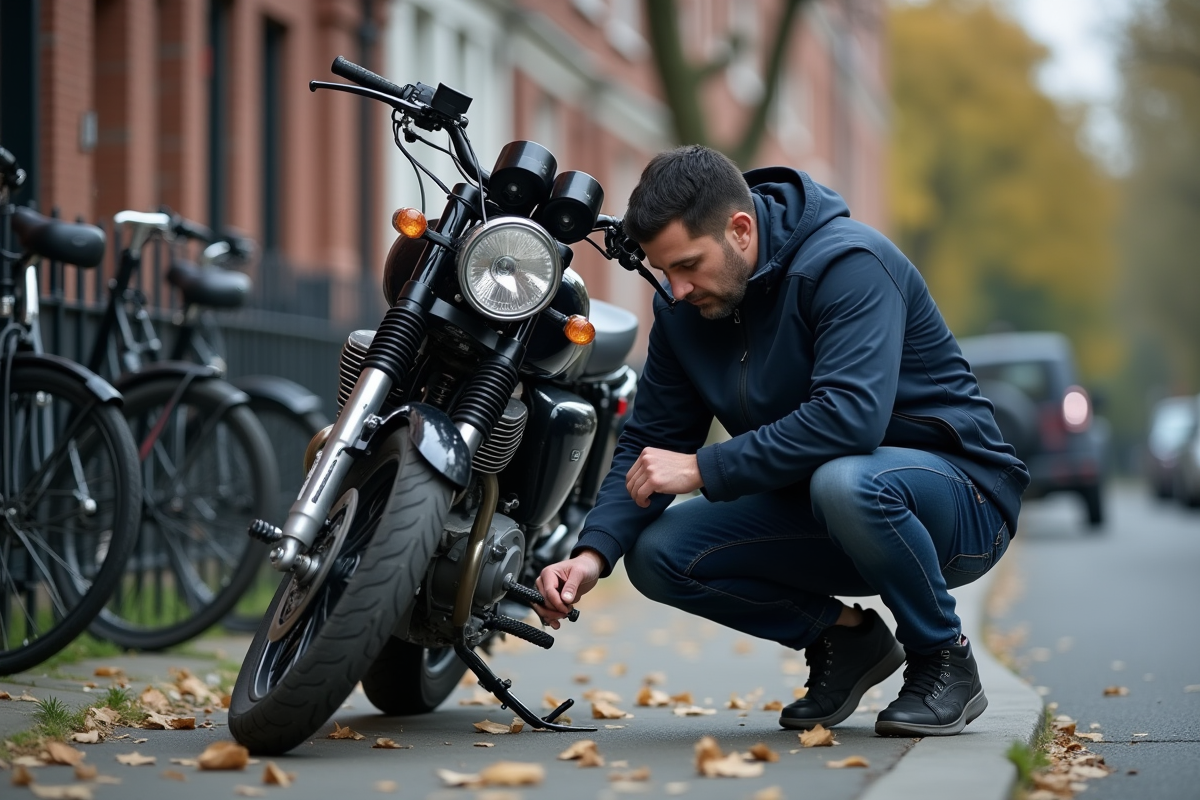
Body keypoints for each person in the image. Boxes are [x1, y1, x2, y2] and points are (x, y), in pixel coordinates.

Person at [534, 145, 1029, 737]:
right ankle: (844, 641)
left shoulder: (848, 263)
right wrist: (593, 554)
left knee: (846, 480)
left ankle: (943, 658)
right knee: (657, 553)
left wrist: (703, 468)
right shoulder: (685, 310)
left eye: (689, 265)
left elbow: (850, 419)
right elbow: (651, 438)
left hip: (960, 505)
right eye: (665, 271)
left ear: (740, 230)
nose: (679, 289)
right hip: (824, 506)